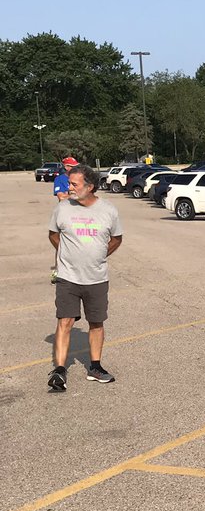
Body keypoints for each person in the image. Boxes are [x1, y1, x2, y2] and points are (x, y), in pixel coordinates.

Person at [47, 163, 122, 390]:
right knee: (65, 321)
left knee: (96, 323)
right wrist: (66, 255)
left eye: (74, 184)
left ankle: (96, 367)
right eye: (69, 183)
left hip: (97, 277)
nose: (69, 187)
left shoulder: (108, 210)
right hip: (68, 276)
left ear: (89, 187)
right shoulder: (62, 208)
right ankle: (59, 370)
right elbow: (53, 235)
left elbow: (117, 238)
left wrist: (98, 255)